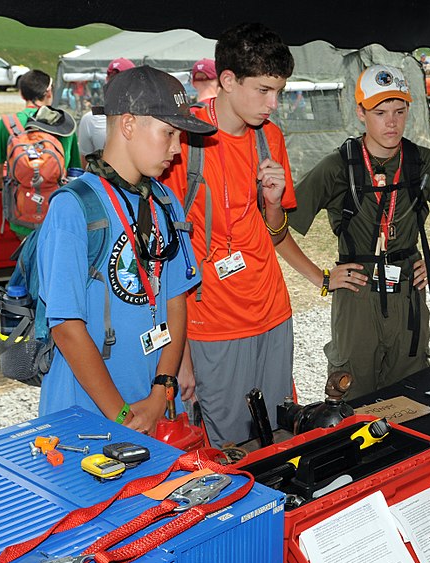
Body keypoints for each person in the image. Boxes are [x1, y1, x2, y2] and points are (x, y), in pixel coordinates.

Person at [278, 64, 430, 399]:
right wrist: (322, 278)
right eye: (380, 112)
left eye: (400, 111)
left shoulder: (421, 162)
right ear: (360, 112)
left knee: (411, 395)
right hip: (357, 295)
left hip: (407, 295)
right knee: (352, 392)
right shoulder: (338, 166)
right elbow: (278, 229)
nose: (392, 122)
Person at [37, 66, 215, 434]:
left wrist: (161, 390)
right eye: (168, 133)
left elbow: (176, 297)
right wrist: (125, 416)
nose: (176, 149)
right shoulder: (73, 208)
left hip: (155, 405)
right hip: (87, 416)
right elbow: (66, 326)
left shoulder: (165, 201)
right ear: (129, 125)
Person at [162, 23, 296, 447]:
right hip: (213, 323)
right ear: (227, 80)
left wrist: (272, 202)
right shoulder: (182, 139)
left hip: (273, 312)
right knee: (228, 450)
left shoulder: (270, 138)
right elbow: (164, 257)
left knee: (277, 435)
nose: (273, 104)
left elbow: (276, 233)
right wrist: (179, 357)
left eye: (279, 91)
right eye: (263, 90)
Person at [0, 69, 82, 235]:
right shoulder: (64, 125)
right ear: (48, 92)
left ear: (21, 94)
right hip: (55, 217)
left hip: (21, 218)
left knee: (25, 260)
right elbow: (75, 173)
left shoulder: (6, 124)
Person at [78, 57, 136, 161]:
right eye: (112, 78)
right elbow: (85, 164)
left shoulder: (146, 117)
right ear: (107, 80)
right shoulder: (89, 119)